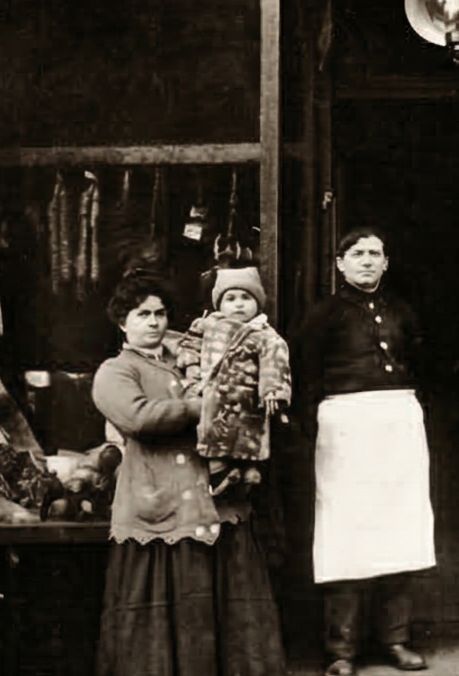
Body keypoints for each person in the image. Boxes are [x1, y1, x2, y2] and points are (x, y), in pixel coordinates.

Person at [93, 268, 287, 676]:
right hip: (159, 504)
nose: (154, 323)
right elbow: (139, 417)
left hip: (212, 501)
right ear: (121, 321)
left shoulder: (190, 355)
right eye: (142, 315)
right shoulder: (115, 371)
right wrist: (201, 407)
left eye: (160, 314)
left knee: (221, 617)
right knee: (163, 620)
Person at [296, 227, 435, 676]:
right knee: (346, 533)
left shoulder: (401, 311)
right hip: (346, 427)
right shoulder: (323, 314)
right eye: (357, 254)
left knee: (400, 526)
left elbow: (424, 364)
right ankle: (342, 650)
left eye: (375, 253)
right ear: (340, 263)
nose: (367, 261)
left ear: (386, 262)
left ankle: (395, 640)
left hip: (397, 423)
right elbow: (305, 374)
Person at [183, 256, 291, 496]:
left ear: (258, 303)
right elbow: (189, 346)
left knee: (247, 433)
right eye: (231, 299)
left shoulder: (263, 333)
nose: (239, 305)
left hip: (246, 394)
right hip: (213, 391)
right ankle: (220, 471)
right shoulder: (207, 325)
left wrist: (272, 389)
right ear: (219, 304)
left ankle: (248, 467)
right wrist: (190, 370)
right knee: (214, 430)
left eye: (246, 298)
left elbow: (276, 359)